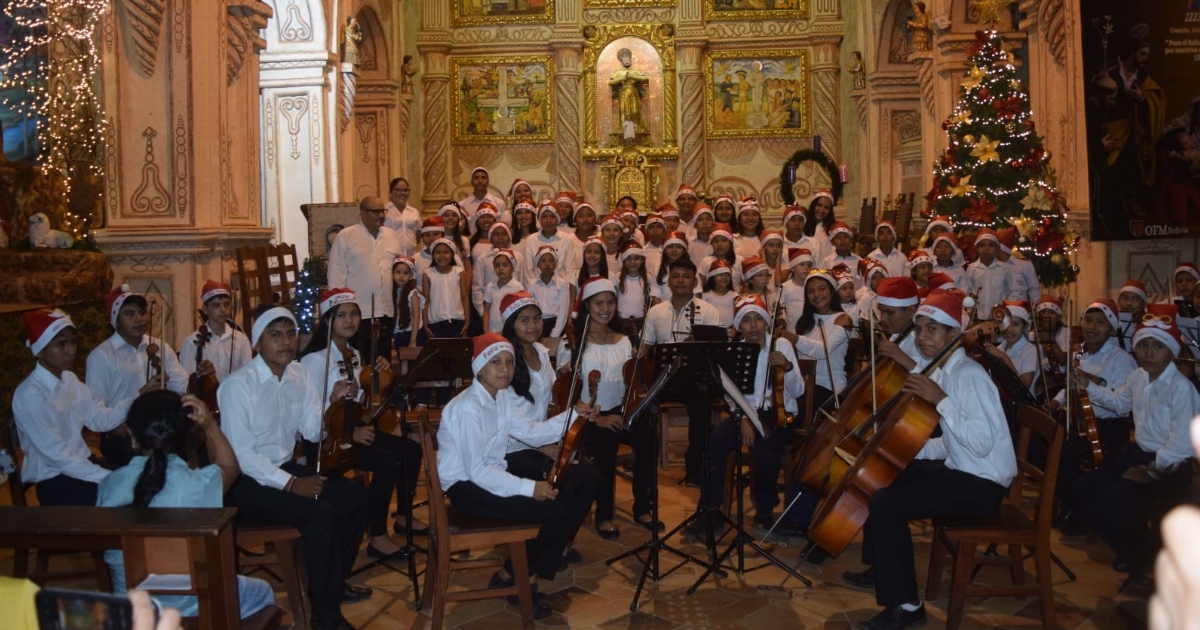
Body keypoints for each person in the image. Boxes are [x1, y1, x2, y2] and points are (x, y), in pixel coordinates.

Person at [843, 289, 1017, 630]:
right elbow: (953, 444)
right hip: (962, 469)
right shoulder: (943, 371)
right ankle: (884, 567)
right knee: (887, 475)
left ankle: (907, 606)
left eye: (932, 330)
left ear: (954, 334)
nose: (922, 336)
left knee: (887, 503)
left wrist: (941, 402)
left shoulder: (969, 376)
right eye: (920, 328)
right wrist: (904, 451)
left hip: (982, 485)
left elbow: (980, 445)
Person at [219, 305, 371, 630]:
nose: (286, 342)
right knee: (320, 513)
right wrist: (291, 484)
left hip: (285, 468)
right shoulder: (237, 386)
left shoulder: (298, 374)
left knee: (355, 496)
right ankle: (325, 616)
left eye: (290, 333)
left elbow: (314, 428)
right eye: (275, 335)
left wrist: (332, 405)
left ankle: (330, 585)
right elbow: (242, 456)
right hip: (244, 482)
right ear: (258, 341)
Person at [437, 333, 600, 619]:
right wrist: (528, 488)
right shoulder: (467, 407)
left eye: (510, 362)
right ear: (479, 367)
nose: (504, 369)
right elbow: (475, 471)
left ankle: (511, 574)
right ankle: (523, 580)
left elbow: (531, 432)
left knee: (557, 507)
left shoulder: (499, 398)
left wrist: (574, 414)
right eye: (495, 362)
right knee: (552, 512)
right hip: (465, 489)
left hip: (486, 478)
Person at [96, 391, 274, 619]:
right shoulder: (198, 484)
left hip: (130, 607)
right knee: (262, 592)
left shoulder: (109, 485)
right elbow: (230, 466)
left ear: (131, 436)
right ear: (188, 438)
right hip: (189, 606)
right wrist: (210, 425)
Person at [1063, 304, 1200, 581]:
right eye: (1143, 345)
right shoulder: (1138, 377)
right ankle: (1139, 550)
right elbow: (1118, 403)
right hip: (1140, 453)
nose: (1148, 353)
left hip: (1171, 464)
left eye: (1157, 347)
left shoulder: (1181, 388)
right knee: (1083, 489)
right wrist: (1087, 385)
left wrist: (1150, 471)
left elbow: (1182, 445)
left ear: (1172, 352)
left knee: (1111, 504)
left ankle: (1141, 556)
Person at [300, 288, 425, 557]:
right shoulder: (314, 360)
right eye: (341, 315)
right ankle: (378, 535)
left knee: (411, 449)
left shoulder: (353, 354)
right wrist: (353, 431)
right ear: (327, 320)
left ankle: (403, 515)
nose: (350, 320)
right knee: (386, 461)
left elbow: (359, 404)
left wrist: (376, 376)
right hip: (327, 442)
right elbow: (310, 414)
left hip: (350, 431)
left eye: (354, 314)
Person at [696, 295, 804, 536]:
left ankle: (765, 506)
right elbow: (729, 393)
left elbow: (798, 391)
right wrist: (743, 418)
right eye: (746, 320)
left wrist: (787, 367)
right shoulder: (733, 350)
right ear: (739, 326)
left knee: (767, 451)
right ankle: (709, 509)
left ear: (767, 322)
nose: (753, 325)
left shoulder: (782, 345)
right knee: (714, 444)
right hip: (744, 413)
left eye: (758, 318)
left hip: (777, 413)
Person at [561, 277, 659, 537]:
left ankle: (643, 507)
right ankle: (604, 515)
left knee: (648, 438)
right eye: (598, 304)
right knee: (605, 448)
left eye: (609, 303)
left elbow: (630, 383)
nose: (605, 309)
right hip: (587, 417)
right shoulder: (573, 342)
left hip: (620, 411)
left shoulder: (625, 340)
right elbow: (565, 395)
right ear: (587, 307)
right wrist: (598, 419)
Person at [13, 309, 134, 506]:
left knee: (142, 481)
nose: (71, 350)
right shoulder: (30, 396)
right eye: (61, 345)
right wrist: (108, 477)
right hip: (55, 481)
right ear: (40, 350)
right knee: (129, 494)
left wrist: (136, 399)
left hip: (80, 465)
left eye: (73, 342)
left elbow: (99, 419)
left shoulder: (69, 379)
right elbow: (60, 458)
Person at [1048, 298, 1137, 530]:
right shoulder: (1078, 353)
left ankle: (1080, 511)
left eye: (1101, 322)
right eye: (1088, 320)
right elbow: (1068, 387)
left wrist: (1091, 383)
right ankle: (1075, 506)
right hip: (1077, 421)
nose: (1092, 327)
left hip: (1106, 426)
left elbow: (1121, 402)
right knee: (1040, 450)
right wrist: (1056, 403)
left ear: (1111, 328)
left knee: (1062, 457)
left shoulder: (1122, 359)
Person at [642, 258, 722, 484]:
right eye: (675, 276)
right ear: (668, 281)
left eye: (686, 276)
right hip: (663, 377)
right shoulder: (655, 311)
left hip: (694, 377)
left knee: (701, 403)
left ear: (695, 280)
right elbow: (645, 347)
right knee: (640, 402)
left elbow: (712, 351)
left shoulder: (708, 311)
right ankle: (646, 465)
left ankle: (695, 468)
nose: (680, 281)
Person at [327, 196, 403, 360]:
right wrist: (339, 309)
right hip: (358, 313)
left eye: (383, 211)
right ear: (362, 213)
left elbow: (400, 269)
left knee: (383, 363)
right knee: (360, 360)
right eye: (375, 212)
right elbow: (336, 273)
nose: (381, 215)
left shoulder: (391, 236)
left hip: (385, 311)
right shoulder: (346, 236)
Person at [88, 285, 188, 407]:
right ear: (116, 321)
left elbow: (181, 386)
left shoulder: (161, 348)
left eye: (142, 312)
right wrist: (141, 393)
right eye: (129, 314)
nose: (139, 319)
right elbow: (96, 409)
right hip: (121, 425)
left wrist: (201, 379)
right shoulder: (101, 356)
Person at [779, 270, 852, 414]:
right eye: (811, 291)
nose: (816, 295)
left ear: (832, 291)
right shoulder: (805, 321)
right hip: (804, 385)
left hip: (829, 388)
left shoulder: (843, 319)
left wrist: (793, 337)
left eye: (822, 289)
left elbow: (822, 350)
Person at [178, 280, 252, 382]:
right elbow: (186, 381)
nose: (223, 309)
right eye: (216, 305)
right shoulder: (191, 342)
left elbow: (248, 375)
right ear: (205, 309)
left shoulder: (241, 339)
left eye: (226, 304)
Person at [422, 237, 471, 338]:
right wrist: (425, 325)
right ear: (433, 255)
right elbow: (425, 301)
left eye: (446, 252)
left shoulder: (459, 272)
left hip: (457, 321)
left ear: (452, 254)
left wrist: (467, 322)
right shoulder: (428, 273)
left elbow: (465, 298)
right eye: (438, 252)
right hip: (435, 323)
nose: (442, 256)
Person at [986, 300, 1038, 393]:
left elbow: (1025, 386)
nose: (1009, 329)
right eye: (1006, 324)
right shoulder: (999, 349)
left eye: (1016, 324)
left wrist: (1006, 359)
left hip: (1023, 406)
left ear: (1024, 327)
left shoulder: (1030, 350)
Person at [964, 228, 1013, 315]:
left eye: (991, 245)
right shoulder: (972, 268)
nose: (986, 249)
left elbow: (1012, 291)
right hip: (977, 315)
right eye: (982, 245)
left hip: (999, 314)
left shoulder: (1004, 268)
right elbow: (968, 291)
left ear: (997, 248)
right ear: (977, 248)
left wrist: (1009, 310)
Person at [523, 203, 578, 282]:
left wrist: (562, 287)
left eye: (552, 216)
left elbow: (570, 270)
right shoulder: (531, 239)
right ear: (539, 219)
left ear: (558, 219)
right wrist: (535, 288)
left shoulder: (567, 239)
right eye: (544, 217)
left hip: (561, 288)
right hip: (536, 289)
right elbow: (528, 271)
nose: (548, 221)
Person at [483, 249, 526, 333]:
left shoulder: (517, 287)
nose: (501, 268)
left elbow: (520, 312)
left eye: (505, 265)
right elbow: (487, 309)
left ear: (512, 268)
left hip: (510, 332)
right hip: (492, 331)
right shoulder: (490, 286)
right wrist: (485, 329)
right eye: (497, 266)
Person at [391, 256, 426, 352]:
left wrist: (413, 340)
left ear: (410, 275)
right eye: (398, 272)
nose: (401, 276)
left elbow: (416, 317)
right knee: (402, 362)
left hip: (412, 333)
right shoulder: (392, 292)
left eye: (405, 273)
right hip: (399, 334)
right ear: (393, 274)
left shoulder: (413, 293)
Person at [779, 248, 813, 334]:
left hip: (811, 331)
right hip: (792, 331)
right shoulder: (785, 287)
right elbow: (780, 309)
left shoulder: (812, 286)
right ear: (793, 268)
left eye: (809, 265)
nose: (806, 268)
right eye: (802, 264)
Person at [384, 177, 421, 250]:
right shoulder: (384, 210)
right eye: (398, 190)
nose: (402, 193)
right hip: (391, 257)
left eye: (405, 190)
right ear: (391, 192)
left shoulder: (414, 212)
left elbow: (418, 235)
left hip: (410, 257)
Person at [802, 190, 837, 264]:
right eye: (819, 205)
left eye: (826, 208)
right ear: (813, 205)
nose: (822, 210)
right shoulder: (803, 226)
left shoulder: (832, 230)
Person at [701, 260, 737, 329]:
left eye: (727, 275)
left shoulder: (734, 295)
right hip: (711, 331)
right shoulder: (706, 296)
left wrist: (732, 332)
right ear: (712, 277)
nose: (724, 277)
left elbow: (738, 316)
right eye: (720, 275)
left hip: (731, 331)